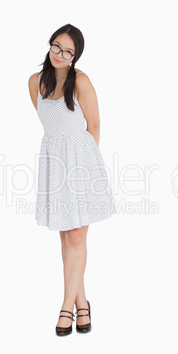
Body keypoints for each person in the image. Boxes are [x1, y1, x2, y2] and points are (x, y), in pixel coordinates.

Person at [28, 23, 117, 336]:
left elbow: (93, 126)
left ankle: (66, 306)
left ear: (75, 56)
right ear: (50, 44)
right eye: (57, 46)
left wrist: (84, 170)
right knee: (66, 237)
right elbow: (51, 128)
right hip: (53, 164)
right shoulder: (34, 82)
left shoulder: (81, 80)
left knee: (77, 236)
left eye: (68, 51)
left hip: (81, 164)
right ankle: (82, 302)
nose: (60, 55)